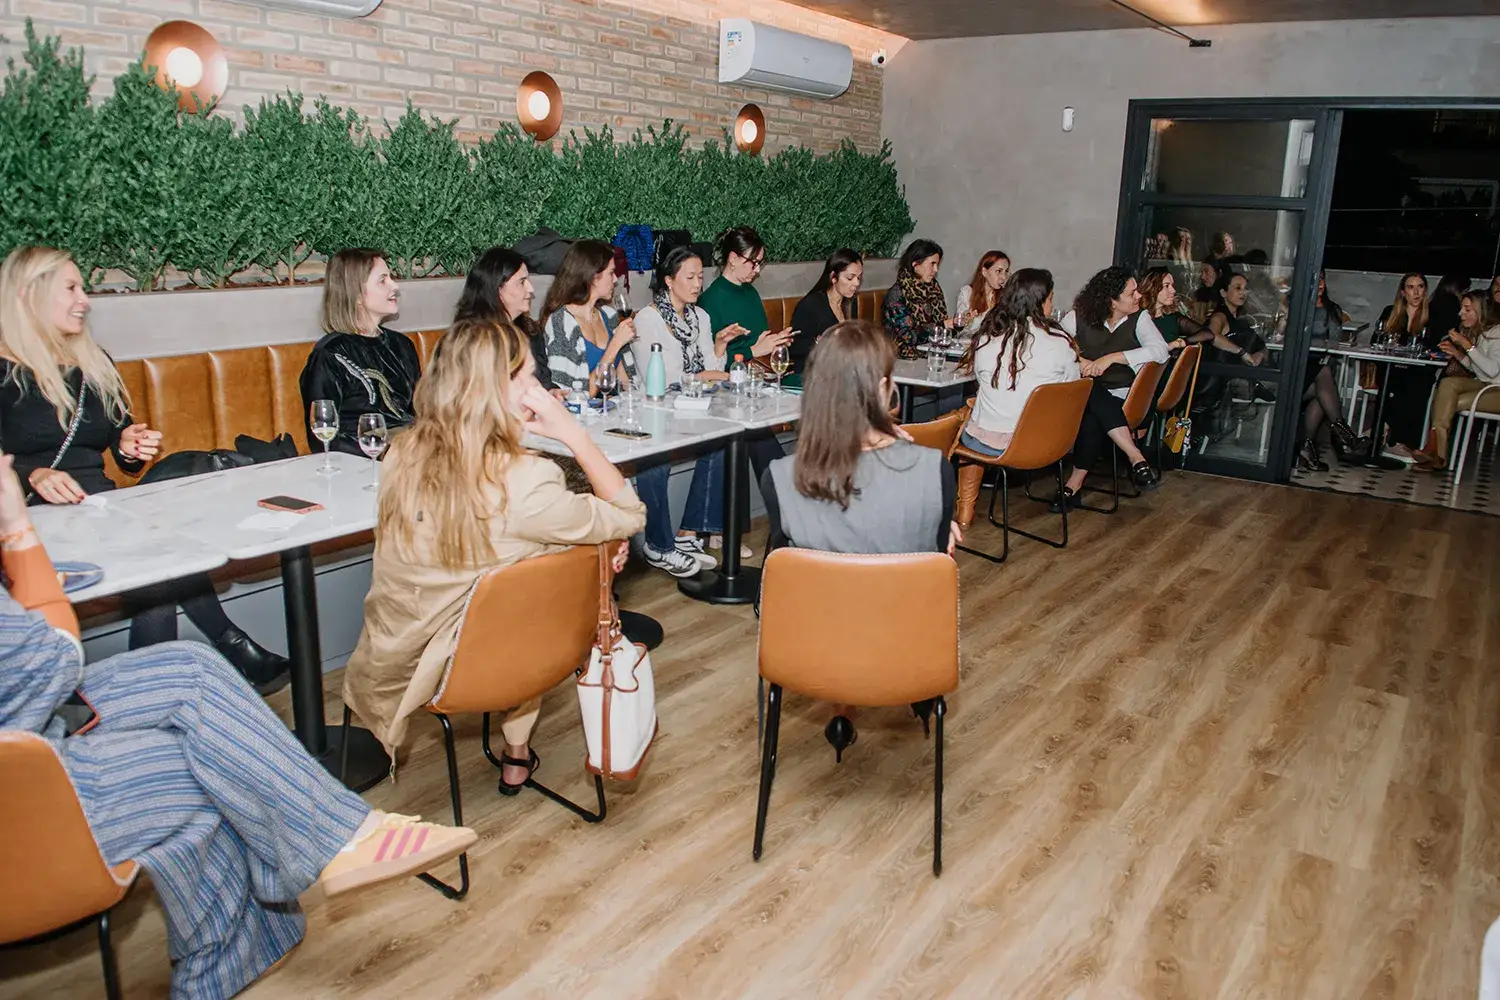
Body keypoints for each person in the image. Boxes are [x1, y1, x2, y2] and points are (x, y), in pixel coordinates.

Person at [0, 449, 476, 999]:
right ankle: (228, 961)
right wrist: (17, 531)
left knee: (191, 670)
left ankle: (339, 839)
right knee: (217, 761)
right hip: (27, 778)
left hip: (28, 724)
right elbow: (50, 661)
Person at [345, 319, 645, 791]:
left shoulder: (400, 455)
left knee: (539, 559)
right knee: (559, 568)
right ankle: (516, 749)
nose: (538, 388)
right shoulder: (525, 479)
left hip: (394, 655)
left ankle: (512, 749)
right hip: (483, 662)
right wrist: (571, 433)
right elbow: (629, 511)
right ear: (493, 390)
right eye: (526, 377)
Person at [0, 246, 289, 693]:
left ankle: (154, 693)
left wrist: (130, 444)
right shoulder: (4, 372)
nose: (85, 300)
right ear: (27, 294)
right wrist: (30, 477)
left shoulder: (93, 363)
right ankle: (219, 652)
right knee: (157, 569)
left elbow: (122, 451)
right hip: (27, 522)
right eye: (72, 289)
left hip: (98, 508)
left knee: (164, 553)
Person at [759, 320, 959, 760]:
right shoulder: (933, 470)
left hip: (809, 652)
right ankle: (912, 696)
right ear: (885, 387)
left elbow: (788, 569)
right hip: (908, 648)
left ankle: (842, 708)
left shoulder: (777, 478)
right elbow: (937, 558)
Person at [541, 241, 701, 578]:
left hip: (615, 418)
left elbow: (629, 379)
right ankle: (651, 549)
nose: (616, 279)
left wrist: (641, 402)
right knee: (649, 460)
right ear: (591, 276)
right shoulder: (560, 323)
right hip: (582, 426)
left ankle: (659, 546)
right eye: (611, 273)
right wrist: (613, 346)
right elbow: (574, 395)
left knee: (656, 449)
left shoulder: (610, 315)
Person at [630, 246, 739, 563]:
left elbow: (710, 364)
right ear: (668, 280)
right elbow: (664, 378)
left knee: (723, 438)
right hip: (657, 408)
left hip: (695, 405)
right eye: (689, 277)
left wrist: (719, 346)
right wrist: (717, 374)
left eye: (700, 277)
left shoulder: (700, 317)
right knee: (656, 457)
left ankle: (690, 533)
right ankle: (659, 546)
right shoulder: (647, 320)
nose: (696, 284)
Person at [953, 268, 1081, 526]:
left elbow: (983, 382)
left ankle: (965, 509)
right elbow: (1072, 388)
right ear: (1040, 301)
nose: (1052, 304)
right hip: (1047, 442)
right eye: (1050, 298)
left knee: (968, 420)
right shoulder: (1060, 342)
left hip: (990, 443)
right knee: (974, 412)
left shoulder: (988, 337)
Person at [1057, 265, 1167, 503]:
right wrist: (1080, 359)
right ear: (1111, 301)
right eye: (1131, 293)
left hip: (1122, 397)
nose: (1138, 296)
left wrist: (1114, 358)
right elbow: (1055, 346)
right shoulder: (1078, 317)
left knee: (1094, 411)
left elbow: (1160, 351)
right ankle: (1135, 456)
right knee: (1092, 392)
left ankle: (1072, 486)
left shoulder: (1140, 318)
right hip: (1081, 396)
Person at [300, 249, 421, 456]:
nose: (395, 286)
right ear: (356, 295)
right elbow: (322, 439)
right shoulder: (330, 355)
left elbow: (419, 411)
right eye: (383, 281)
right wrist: (386, 453)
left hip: (411, 456)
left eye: (391, 278)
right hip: (361, 465)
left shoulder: (402, 345)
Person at [453, 245, 565, 399]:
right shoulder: (472, 339)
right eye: (522, 282)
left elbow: (543, 380)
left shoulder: (530, 330)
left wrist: (552, 392)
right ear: (498, 289)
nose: (530, 288)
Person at [1413, 289, 1500, 471]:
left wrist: (1467, 346)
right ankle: (1436, 450)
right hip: (1484, 384)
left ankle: (1437, 452)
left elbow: (1492, 371)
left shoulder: (1497, 332)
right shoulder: (1479, 331)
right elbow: (1478, 368)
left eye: (1467, 310)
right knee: (1447, 384)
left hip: (1496, 390)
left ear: (1481, 311)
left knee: (1450, 401)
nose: (1461, 314)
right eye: (1462, 309)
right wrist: (1458, 354)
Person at [697, 226, 795, 366]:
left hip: (758, 373)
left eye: (760, 263)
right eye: (753, 263)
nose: (757, 270)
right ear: (733, 259)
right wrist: (753, 351)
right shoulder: (709, 301)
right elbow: (708, 359)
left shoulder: (750, 292)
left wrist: (776, 341)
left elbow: (759, 337)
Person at [1297, 271, 1364, 471]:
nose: (1319, 284)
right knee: (1323, 376)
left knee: (1322, 383)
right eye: (1314, 279)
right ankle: (1341, 430)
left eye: (1322, 279)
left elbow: (1334, 345)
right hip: (1297, 372)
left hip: (1319, 373)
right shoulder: (1297, 305)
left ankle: (1307, 448)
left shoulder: (1332, 309)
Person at [1374, 272, 1432, 459]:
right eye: (1410, 287)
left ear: (1425, 290)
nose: (1416, 292)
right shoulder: (1390, 312)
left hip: (1416, 371)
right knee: (1400, 380)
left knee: (1418, 383)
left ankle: (1387, 432)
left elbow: (1432, 346)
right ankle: (1393, 438)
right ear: (1403, 292)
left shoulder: (1432, 316)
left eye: (1420, 286)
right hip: (1391, 367)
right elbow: (1377, 340)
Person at [787, 248, 863, 387]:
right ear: (833, 277)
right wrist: (819, 341)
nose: (856, 283)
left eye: (859, 278)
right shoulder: (811, 305)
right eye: (850, 278)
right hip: (813, 378)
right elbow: (793, 347)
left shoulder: (851, 303)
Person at [882, 238, 949, 360]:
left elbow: (943, 325)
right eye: (932, 264)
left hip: (932, 354)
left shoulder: (934, 289)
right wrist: (943, 326)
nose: (936, 270)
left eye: (937, 265)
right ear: (916, 265)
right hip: (903, 358)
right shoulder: (897, 294)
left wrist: (954, 324)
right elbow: (909, 336)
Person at [1137, 266, 1210, 351]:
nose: (1173, 290)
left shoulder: (1172, 317)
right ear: (1152, 288)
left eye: (1172, 285)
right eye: (1167, 286)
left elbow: (1208, 334)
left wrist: (1177, 343)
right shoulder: (1137, 318)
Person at [954, 250, 1010, 332]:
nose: (1003, 277)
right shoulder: (967, 293)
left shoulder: (1004, 296)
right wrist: (968, 320)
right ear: (984, 272)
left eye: (1006, 272)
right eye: (999, 271)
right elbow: (960, 327)